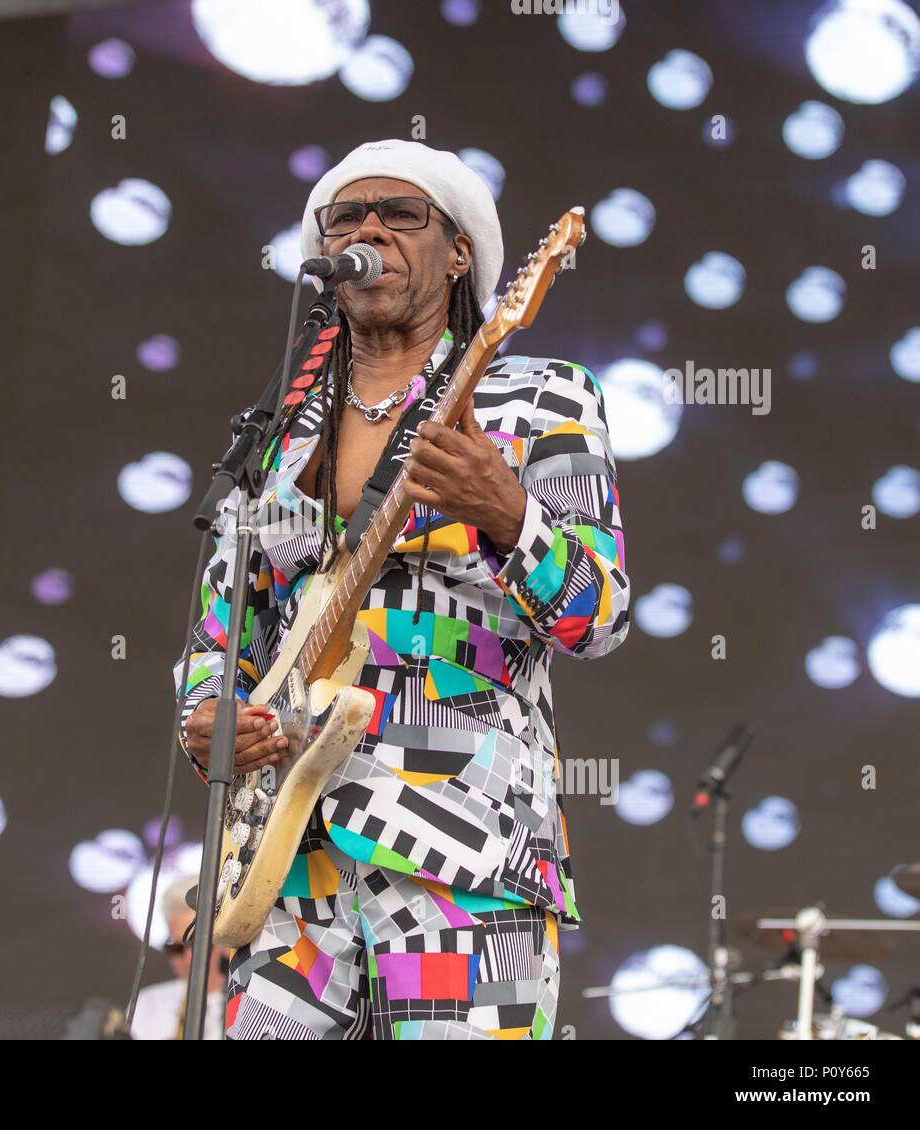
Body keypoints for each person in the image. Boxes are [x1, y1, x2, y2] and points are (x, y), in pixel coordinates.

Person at [174, 139, 630, 1040]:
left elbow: (600, 615)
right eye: (346, 217)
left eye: (399, 214)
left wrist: (509, 513)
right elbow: (217, 637)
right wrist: (208, 717)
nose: (368, 229)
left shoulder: (540, 400)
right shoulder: (280, 429)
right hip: (287, 863)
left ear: (460, 252)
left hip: (463, 846)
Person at [130, 876, 229, 1039]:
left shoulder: (251, 1007)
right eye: (176, 948)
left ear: (225, 945)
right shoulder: (147, 1004)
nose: (188, 959)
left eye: (198, 946)